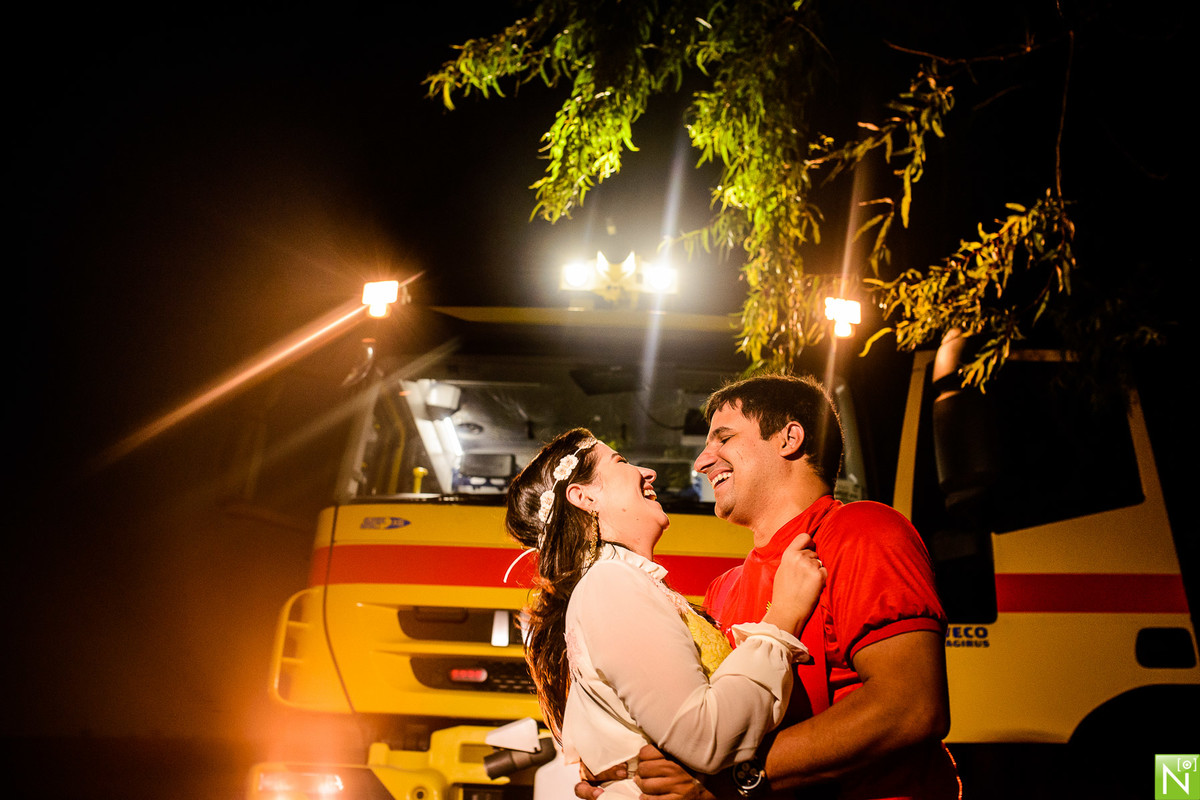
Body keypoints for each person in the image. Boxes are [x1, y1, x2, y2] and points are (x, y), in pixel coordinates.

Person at [582, 374, 960, 800]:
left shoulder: (864, 531)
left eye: (723, 439)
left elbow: (910, 707)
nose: (702, 462)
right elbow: (710, 726)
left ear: (789, 438)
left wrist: (738, 775)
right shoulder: (723, 591)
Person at [506, 427, 827, 799]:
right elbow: (706, 737)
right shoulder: (610, 584)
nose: (649, 473)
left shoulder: (618, 582)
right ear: (584, 496)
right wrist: (783, 616)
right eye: (621, 462)